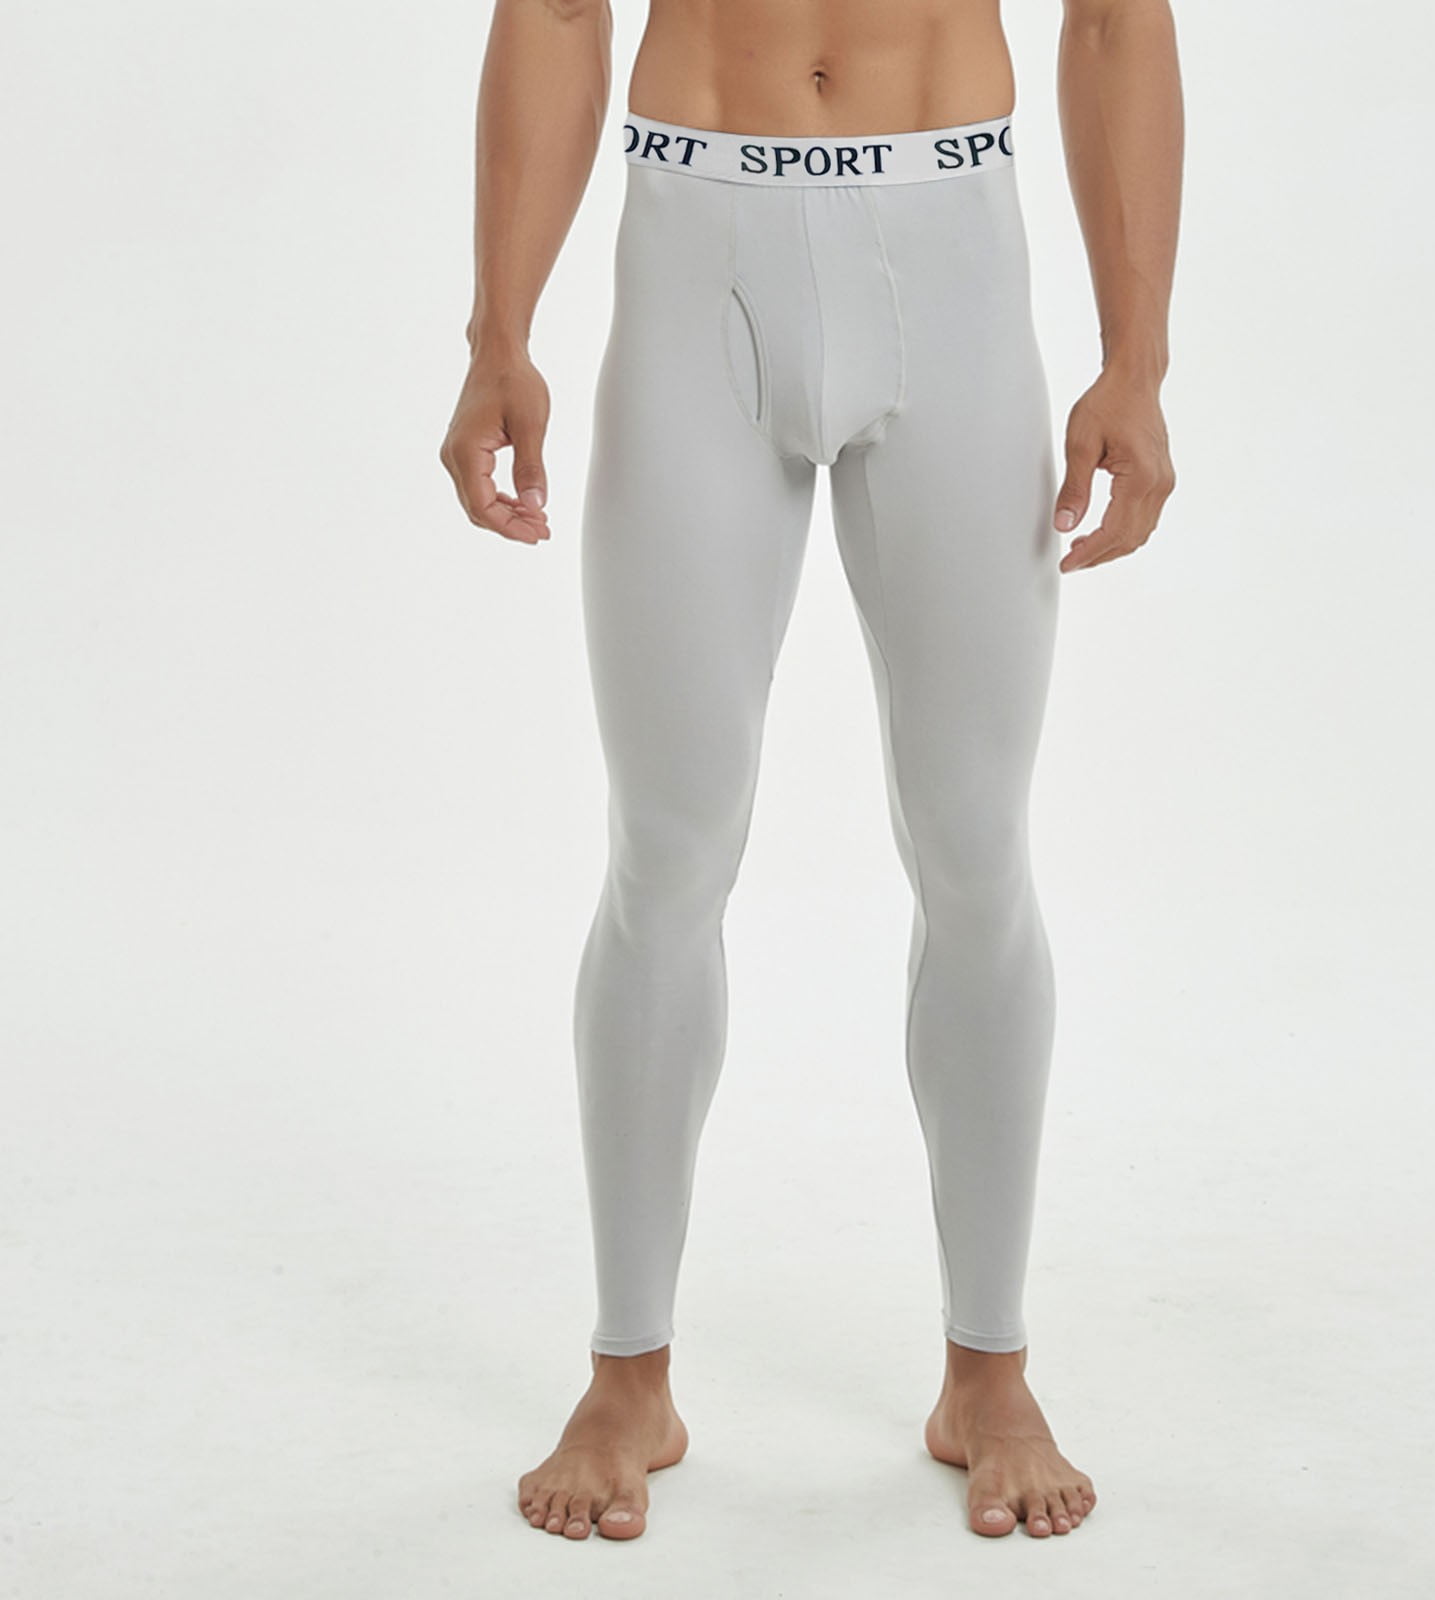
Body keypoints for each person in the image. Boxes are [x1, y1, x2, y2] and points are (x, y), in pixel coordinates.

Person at [439, 0, 1180, 1544]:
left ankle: (988, 1372)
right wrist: (498, 332)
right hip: (695, 229)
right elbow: (559, 8)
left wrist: (1138, 361)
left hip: (949, 239)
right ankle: (627, 1376)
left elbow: (1117, 19)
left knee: (976, 851)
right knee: (667, 851)